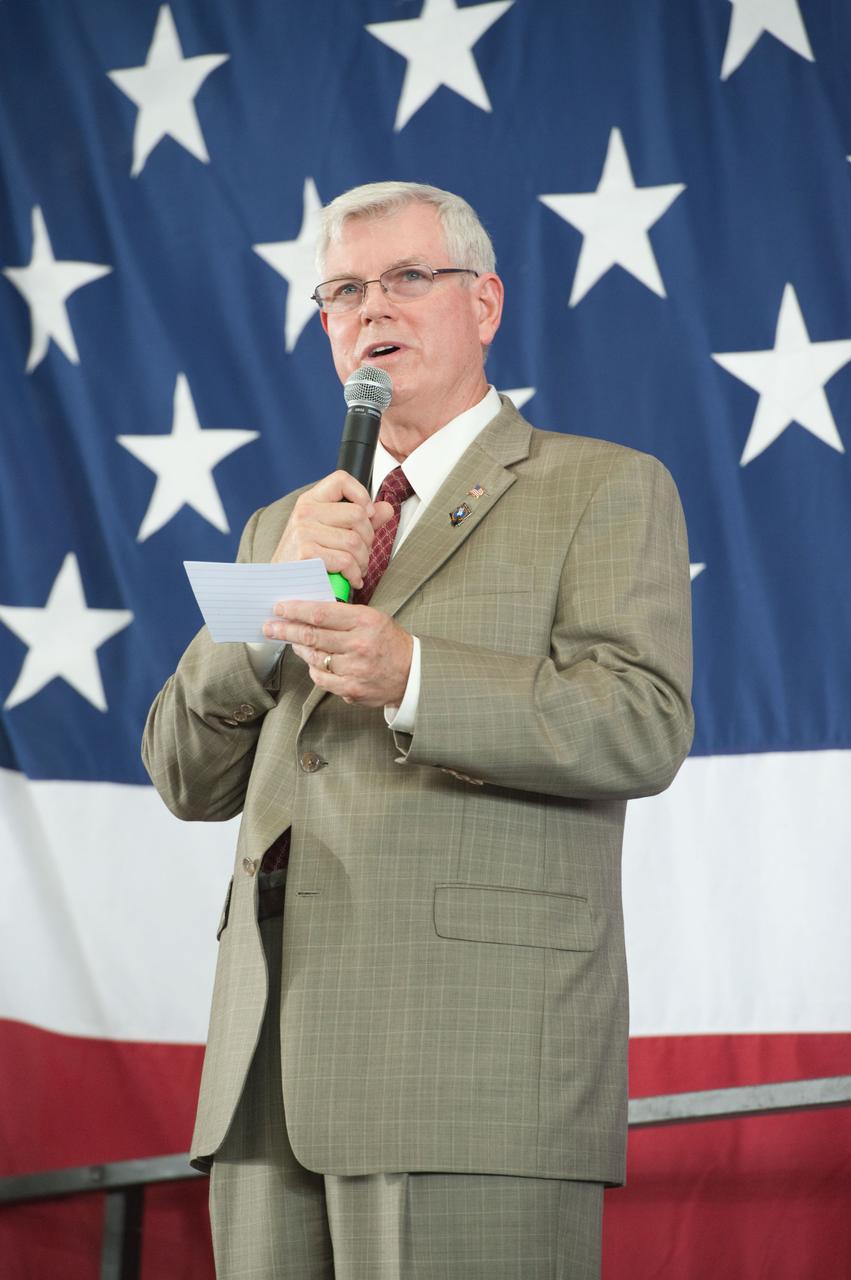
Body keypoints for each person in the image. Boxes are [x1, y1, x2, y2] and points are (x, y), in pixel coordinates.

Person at [142, 180, 694, 1279]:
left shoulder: (601, 487)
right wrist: (265, 597)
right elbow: (183, 772)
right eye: (343, 290)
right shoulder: (280, 524)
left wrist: (416, 675)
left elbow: (642, 723)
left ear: (483, 303)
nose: (371, 308)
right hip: (266, 1075)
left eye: (405, 278)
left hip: (472, 1063)